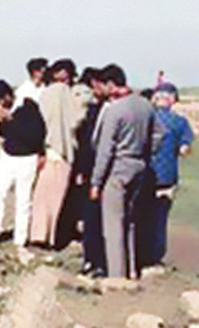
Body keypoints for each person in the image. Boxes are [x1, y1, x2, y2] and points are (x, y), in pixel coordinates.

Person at [89, 64, 159, 279]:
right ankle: (131, 269)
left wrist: (96, 182)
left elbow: (105, 149)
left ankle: (117, 275)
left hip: (117, 168)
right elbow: (158, 136)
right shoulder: (146, 106)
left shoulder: (116, 110)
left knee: (113, 225)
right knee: (130, 221)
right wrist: (146, 154)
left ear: (111, 84)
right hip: (139, 165)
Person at [0, 79, 46, 244]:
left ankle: (20, 238)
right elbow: (3, 133)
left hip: (27, 157)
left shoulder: (28, 107)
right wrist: (0, 122)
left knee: (23, 198)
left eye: (0, 100)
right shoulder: (4, 111)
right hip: (8, 156)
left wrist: (11, 119)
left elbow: (34, 134)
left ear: (7, 96)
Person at [31, 58, 83, 246]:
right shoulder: (66, 93)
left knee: (42, 196)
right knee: (56, 198)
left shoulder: (45, 94)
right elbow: (75, 120)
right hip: (61, 150)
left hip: (47, 148)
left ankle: (38, 234)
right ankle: (53, 237)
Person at [144, 82, 194, 270]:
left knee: (143, 216)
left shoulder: (147, 117)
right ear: (173, 100)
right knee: (160, 219)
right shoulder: (180, 122)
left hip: (145, 175)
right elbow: (185, 149)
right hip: (167, 177)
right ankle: (156, 256)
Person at [72, 68, 108, 276]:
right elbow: (85, 143)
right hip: (90, 169)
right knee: (90, 217)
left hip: (105, 171)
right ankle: (90, 259)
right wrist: (81, 169)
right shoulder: (92, 111)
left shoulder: (110, 109)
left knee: (101, 218)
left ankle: (101, 262)